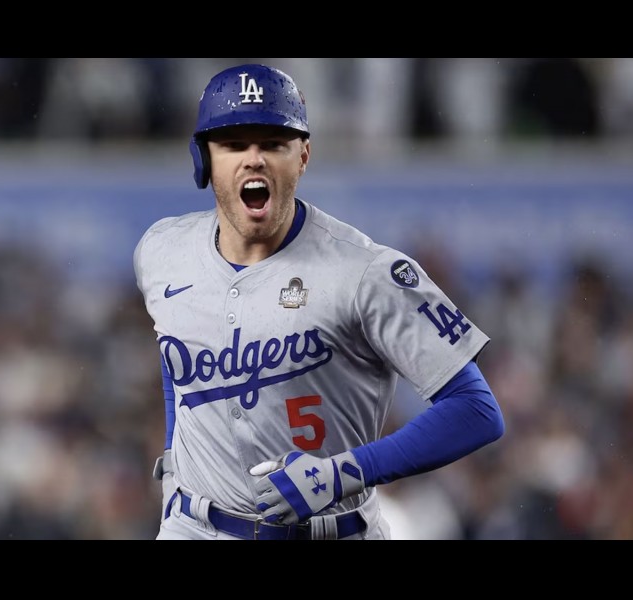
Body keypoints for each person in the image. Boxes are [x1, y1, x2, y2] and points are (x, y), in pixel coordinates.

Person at [133, 63, 505, 540]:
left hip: (331, 530)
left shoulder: (366, 272)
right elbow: (177, 357)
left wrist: (343, 473)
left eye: (273, 144)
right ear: (204, 157)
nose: (254, 159)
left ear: (303, 155)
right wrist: (173, 460)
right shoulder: (161, 251)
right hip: (193, 527)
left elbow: (476, 410)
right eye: (234, 144)